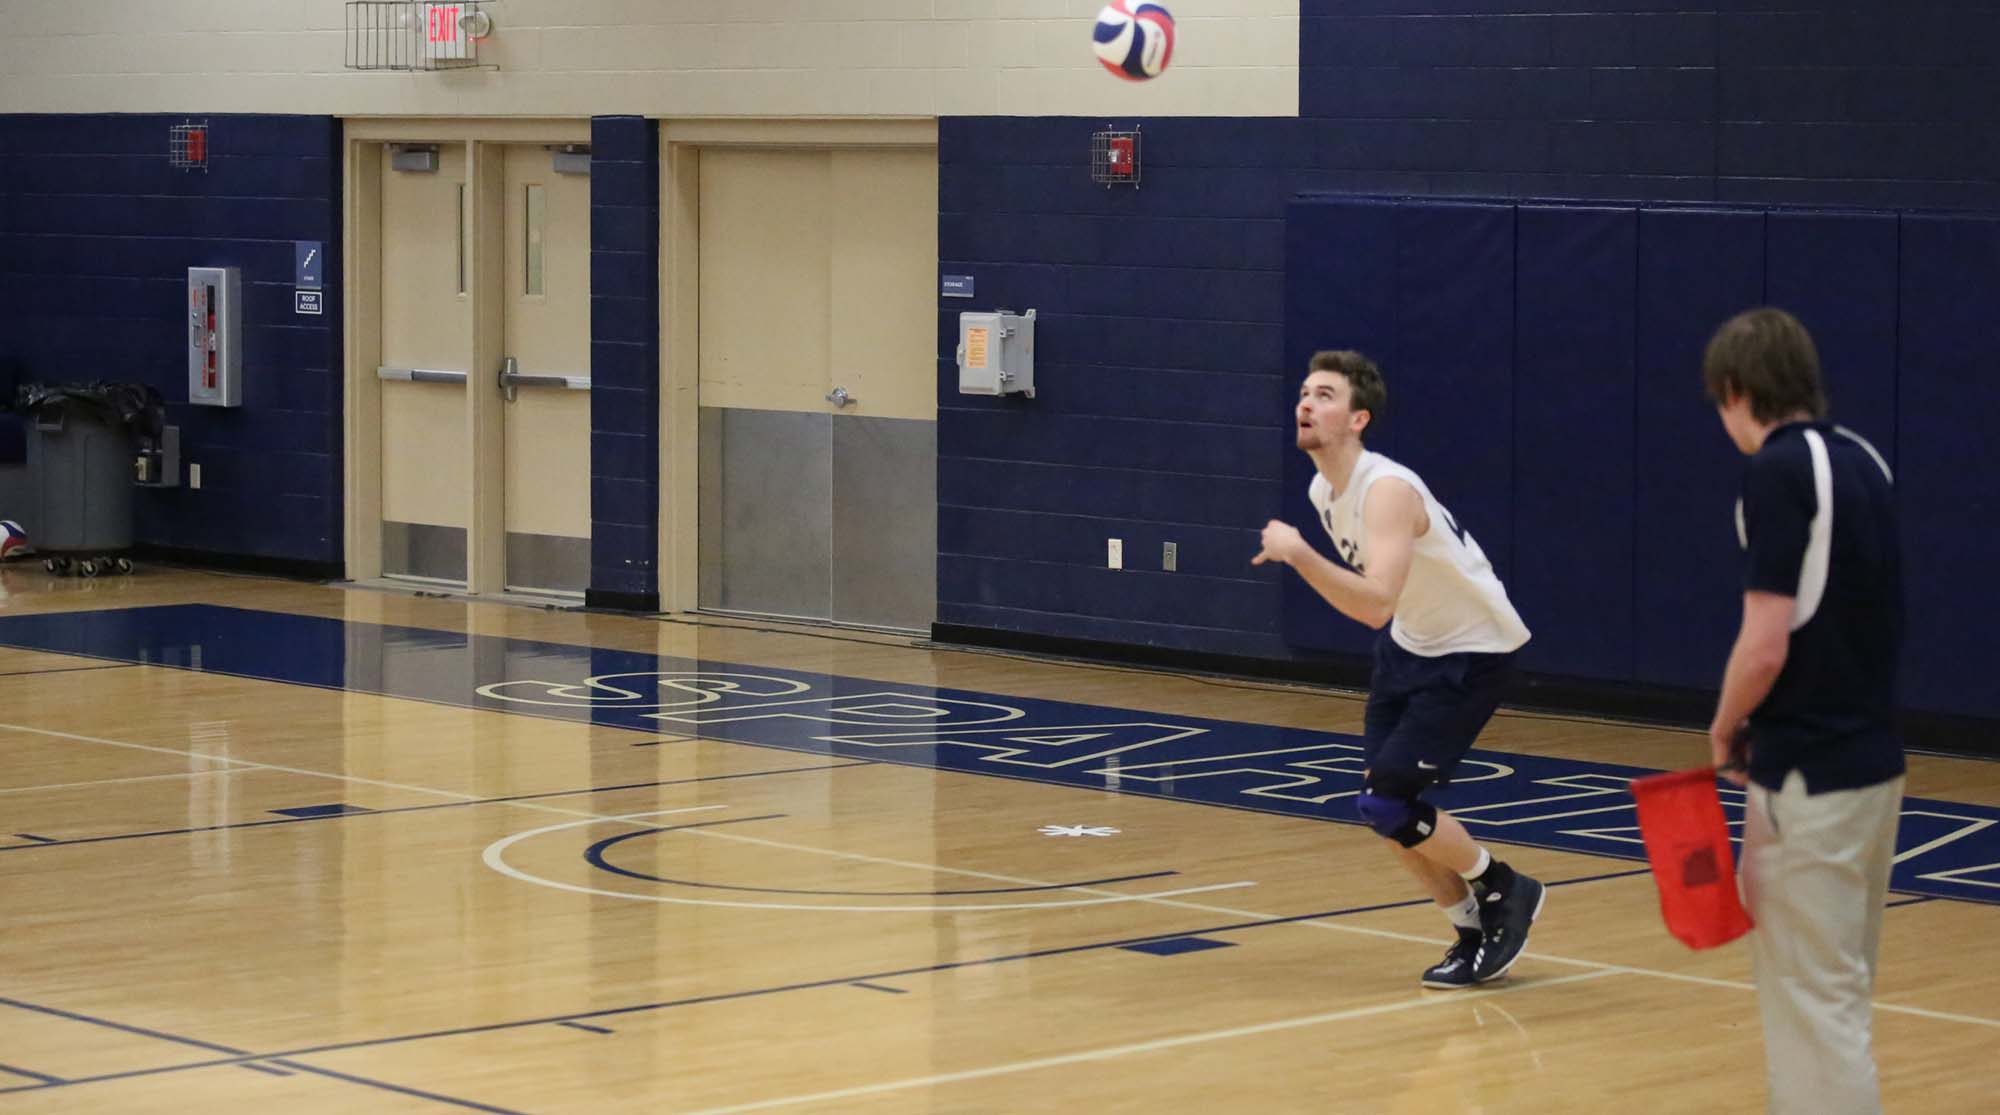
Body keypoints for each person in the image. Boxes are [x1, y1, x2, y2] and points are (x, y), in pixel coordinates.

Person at [1252, 349, 1542, 988]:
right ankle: (1471, 929)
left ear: (1358, 419)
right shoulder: (1321, 489)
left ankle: (1505, 888)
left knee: (1389, 802)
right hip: (1412, 646)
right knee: (1379, 806)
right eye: (1304, 391)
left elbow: (1374, 603)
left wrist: (1297, 554)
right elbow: (1385, 608)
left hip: (1472, 649)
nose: (1305, 402)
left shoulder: (1386, 490)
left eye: (1324, 395)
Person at [1701, 307, 1905, 1114]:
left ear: (1738, 390)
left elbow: (1765, 642)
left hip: (1808, 777)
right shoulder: (1866, 461)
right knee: (1841, 995)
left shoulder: (1779, 471)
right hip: (1875, 766)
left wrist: (1723, 724)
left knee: (1811, 1007)